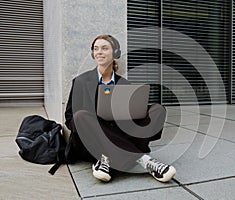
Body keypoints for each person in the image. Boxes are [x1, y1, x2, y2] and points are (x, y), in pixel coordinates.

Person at [64, 34, 176, 183]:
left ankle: (107, 159)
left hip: (120, 132)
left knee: (157, 109)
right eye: (96, 49)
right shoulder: (80, 81)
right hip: (91, 140)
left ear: (115, 53)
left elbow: (131, 115)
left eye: (105, 48)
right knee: (80, 116)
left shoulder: (124, 84)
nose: (99, 52)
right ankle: (143, 160)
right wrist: (92, 119)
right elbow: (69, 117)